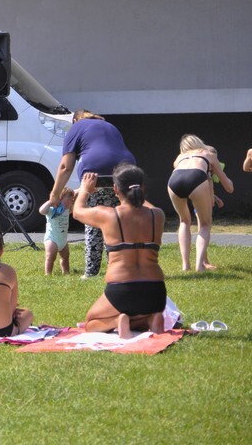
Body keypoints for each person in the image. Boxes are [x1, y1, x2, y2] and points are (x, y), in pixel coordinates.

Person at [74, 165, 167, 338]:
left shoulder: (108, 215)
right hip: (156, 292)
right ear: (142, 187)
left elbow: (77, 212)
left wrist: (85, 190)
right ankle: (150, 319)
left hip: (122, 290)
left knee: (91, 322)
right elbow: (144, 204)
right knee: (141, 312)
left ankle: (117, 320)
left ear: (115, 189)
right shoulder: (158, 215)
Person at [48, 109, 135, 278]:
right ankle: (117, 268)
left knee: (94, 220)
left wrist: (55, 193)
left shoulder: (76, 127)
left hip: (96, 173)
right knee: (116, 221)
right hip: (126, 171)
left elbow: (66, 166)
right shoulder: (108, 125)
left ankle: (91, 272)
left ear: (75, 120)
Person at [167, 135, 233, 272]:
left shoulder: (179, 158)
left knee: (184, 221)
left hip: (173, 181)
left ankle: (185, 266)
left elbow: (183, 175)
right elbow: (229, 187)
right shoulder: (208, 154)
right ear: (199, 143)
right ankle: (199, 266)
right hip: (196, 177)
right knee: (205, 224)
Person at [38, 188, 74, 275]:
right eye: (69, 199)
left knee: (65, 257)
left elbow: (75, 203)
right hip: (52, 239)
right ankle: (48, 274)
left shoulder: (67, 210)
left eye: (72, 199)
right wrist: (51, 201)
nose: (71, 201)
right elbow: (41, 211)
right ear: (60, 198)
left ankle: (66, 273)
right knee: (50, 257)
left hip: (63, 240)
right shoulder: (52, 210)